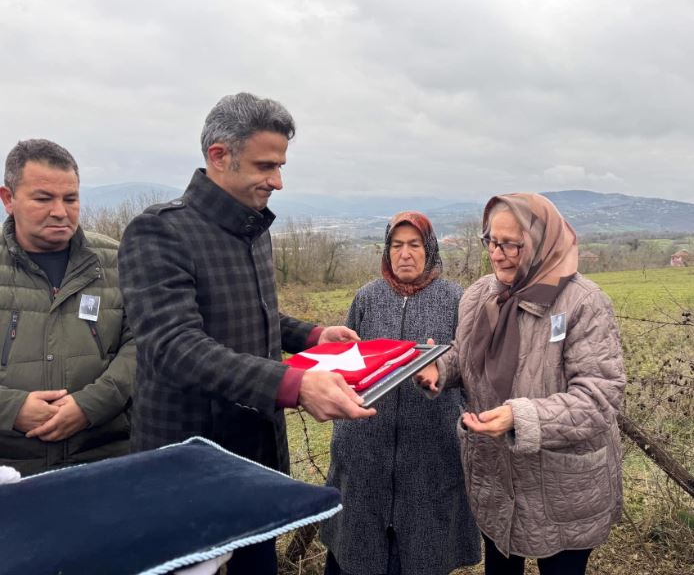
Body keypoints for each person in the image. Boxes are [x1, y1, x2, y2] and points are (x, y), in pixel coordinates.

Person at [118, 93, 375, 575]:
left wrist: (312, 336)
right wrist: (293, 385)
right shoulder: (159, 233)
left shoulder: (254, 230)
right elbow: (174, 346)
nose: (277, 181)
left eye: (279, 166)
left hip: (256, 458)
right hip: (188, 467)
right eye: (265, 165)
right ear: (219, 155)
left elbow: (252, 317)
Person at [416, 193, 625, 575]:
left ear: (543, 243)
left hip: (562, 489)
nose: (497, 254)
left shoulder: (582, 303)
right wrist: (440, 369)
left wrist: (521, 416)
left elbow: (600, 397)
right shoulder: (481, 295)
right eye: (492, 242)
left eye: (511, 244)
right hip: (495, 476)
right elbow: (466, 356)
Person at [321, 211, 480, 575]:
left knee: (424, 554)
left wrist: (439, 379)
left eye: (414, 245)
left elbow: (471, 371)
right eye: (396, 245)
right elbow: (347, 364)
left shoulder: (456, 300)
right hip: (364, 453)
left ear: (430, 250)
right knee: (357, 552)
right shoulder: (367, 298)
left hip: (431, 455)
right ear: (387, 251)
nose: (405, 254)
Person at [0, 139, 135, 476]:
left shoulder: (119, 262)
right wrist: (11, 409)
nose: (60, 211)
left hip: (106, 459)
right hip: (10, 469)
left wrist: (90, 406)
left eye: (70, 198)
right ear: (8, 199)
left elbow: (144, 343)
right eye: (43, 198)